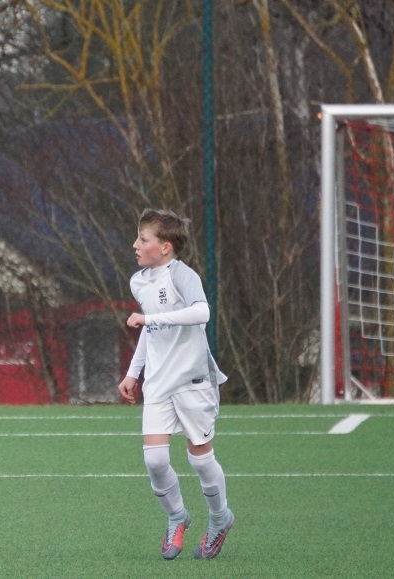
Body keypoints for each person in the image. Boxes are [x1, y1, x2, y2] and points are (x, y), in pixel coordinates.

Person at [117, 208, 233, 560]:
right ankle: (177, 515)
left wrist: (150, 317)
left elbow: (202, 312)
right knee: (154, 460)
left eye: (143, 239)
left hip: (193, 381)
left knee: (200, 461)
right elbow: (151, 331)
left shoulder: (183, 275)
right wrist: (133, 373)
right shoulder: (139, 282)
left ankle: (220, 518)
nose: (136, 245)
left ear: (165, 247)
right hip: (158, 382)